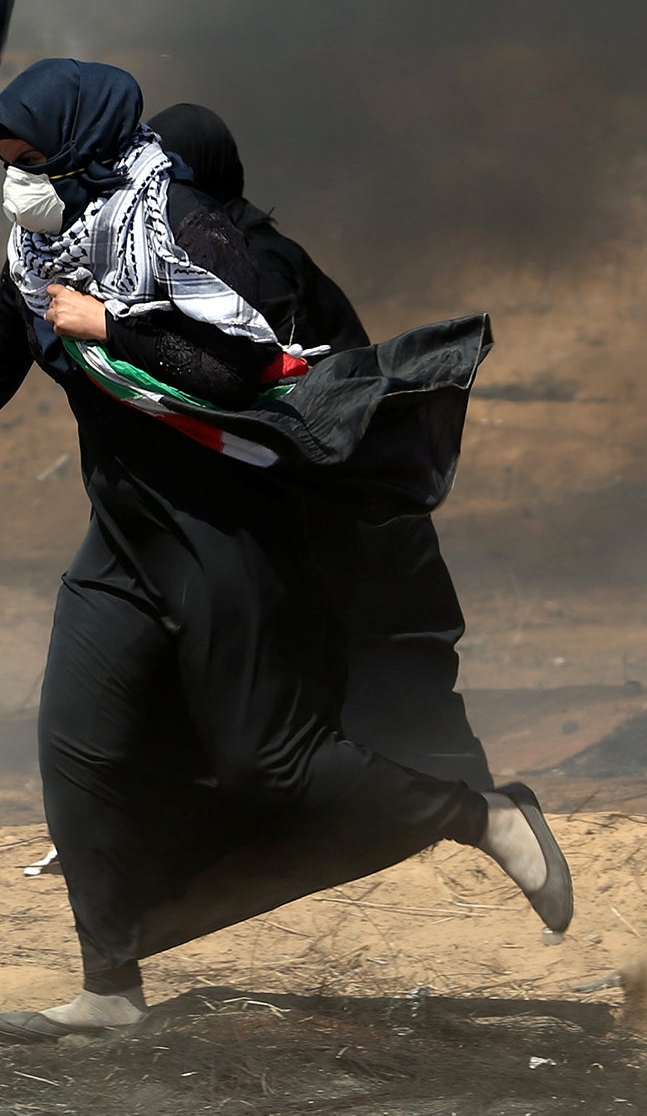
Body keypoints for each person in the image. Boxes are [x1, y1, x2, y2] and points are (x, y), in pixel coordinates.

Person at [0, 60, 568, 1039]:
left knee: (267, 764)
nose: (15, 183)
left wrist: (114, 324)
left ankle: (477, 816)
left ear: (79, 148)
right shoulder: (48, 245)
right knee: (75, 746)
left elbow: (254, 367)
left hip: (227, 536)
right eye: (6, 163)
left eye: (29, 162)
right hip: (122, 536)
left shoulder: (190, 230)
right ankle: (108, 988)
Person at [149, 100, 491, 790]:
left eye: (166, 175)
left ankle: (464, 815)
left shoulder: (257, 265)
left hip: (350, 499)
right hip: (317, 493)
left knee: (389, 674)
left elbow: (269, 389)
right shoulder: (200, 254)